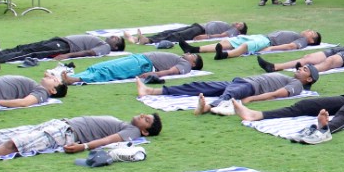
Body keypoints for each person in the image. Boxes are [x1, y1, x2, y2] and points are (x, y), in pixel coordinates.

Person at [0, 113, 161, 166]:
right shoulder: (129, 123)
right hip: (59, 124)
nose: (142, 117)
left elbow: (110, 139)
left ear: (146, 132)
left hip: (66, 134)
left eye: (146, 120)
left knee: (13, 145)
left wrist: (83, 146)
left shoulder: (134, 134)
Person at [136, 64, 319, 114]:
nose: (299, 69)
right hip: (242, 81)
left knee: (229, 94)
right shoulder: (290, 78)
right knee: (199, 86)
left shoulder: (297, 86)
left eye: (304, 70)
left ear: (308, 79)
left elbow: (278, 94)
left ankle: (209, 107)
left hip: (250, 87)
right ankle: (152, 91)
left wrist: (252, 99)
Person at [0, 34, 124, 69]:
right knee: (24, 47)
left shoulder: (106, 47)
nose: (112, 37)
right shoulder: (101, 40)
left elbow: (90, 53)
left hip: (65, 47)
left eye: (116, 39)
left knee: (30, 52)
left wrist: (67, 55)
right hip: (60, 41)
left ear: (116, 47)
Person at [69, 51, 202, 84]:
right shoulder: (180, 58)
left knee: (110, 71)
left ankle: (78, 79)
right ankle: (71, 77)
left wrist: (154, 74)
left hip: (143, 64)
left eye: (193, 55)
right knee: (100, 66)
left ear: (193, 64)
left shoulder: (186, 65)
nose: (189, 54)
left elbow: (171, 71)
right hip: (138, 58)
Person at [199, 30, 322, 60]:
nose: (308, 30)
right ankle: (197, 48)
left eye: (311, 32)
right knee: (229, 42)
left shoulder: (303, 41)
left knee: (246, 45)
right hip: (263, 37)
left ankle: (225, 55)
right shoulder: (300, 36)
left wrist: (271, 48)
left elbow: (291, 46)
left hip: (267, 41)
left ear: (311, 40)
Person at [126, 22, 246, 46]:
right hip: (198, 26)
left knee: (177, 36)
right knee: (170, 32)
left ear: (240, 31)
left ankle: (148, 41)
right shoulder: (231, 26)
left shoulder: (234, 32)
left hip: (201, 31)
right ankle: (140, 39)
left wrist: (206, 37)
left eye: (239, 25)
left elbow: (222, 36)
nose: (236, 23)